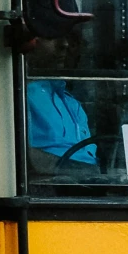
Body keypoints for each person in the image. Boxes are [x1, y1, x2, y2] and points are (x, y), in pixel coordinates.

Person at [26, 29, 99, 175]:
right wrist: (79, 171)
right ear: (29, 41)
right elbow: (14, 153)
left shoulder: (73, 105)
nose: (64, 44)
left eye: (68, 38)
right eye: (51, 36)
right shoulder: (20, 96)